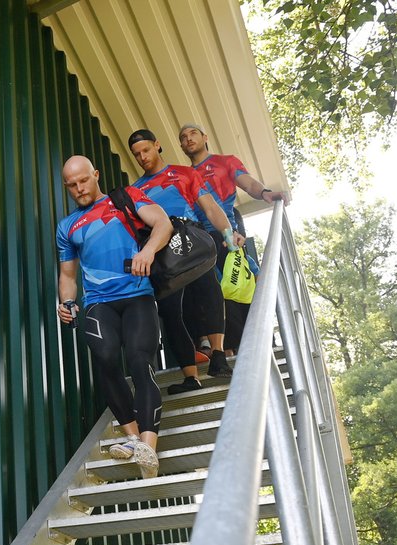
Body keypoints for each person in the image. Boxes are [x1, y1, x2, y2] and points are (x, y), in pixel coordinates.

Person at [56, 155, 173, 478]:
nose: (79, 189)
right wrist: (67, 302)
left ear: (95, 175)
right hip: (98, 302)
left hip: (138, 295)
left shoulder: (125, 198)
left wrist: (147, 251)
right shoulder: (67, 227)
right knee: (105, 358)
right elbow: (67, 275)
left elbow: (163, 223)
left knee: (138, 360)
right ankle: (133, 438)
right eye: (72, 185)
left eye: (83, 180)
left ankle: (148, 445)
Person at [127, 129, 238, 390]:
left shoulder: (185, 173)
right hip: (162, 251)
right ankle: (191, 377)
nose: (142, 157)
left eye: (146, 150)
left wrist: (228, 236)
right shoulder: (135, 189)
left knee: (209, 289)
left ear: (157, 145)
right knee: (169, 311)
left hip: (190, 239)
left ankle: (219, 356)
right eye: (136, 154)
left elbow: (211, 207)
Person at [178, 122, 289, 353]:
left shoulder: (225, 161)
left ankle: (260, 343)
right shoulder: (184, 175)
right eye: (183, 137)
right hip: (199, 240)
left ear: (205, 137)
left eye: (193, 134)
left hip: (229, 234)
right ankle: (223, 348)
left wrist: (266, 193)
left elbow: (248, 183)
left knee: (242, 285)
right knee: (212, 293)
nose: (188, 139)